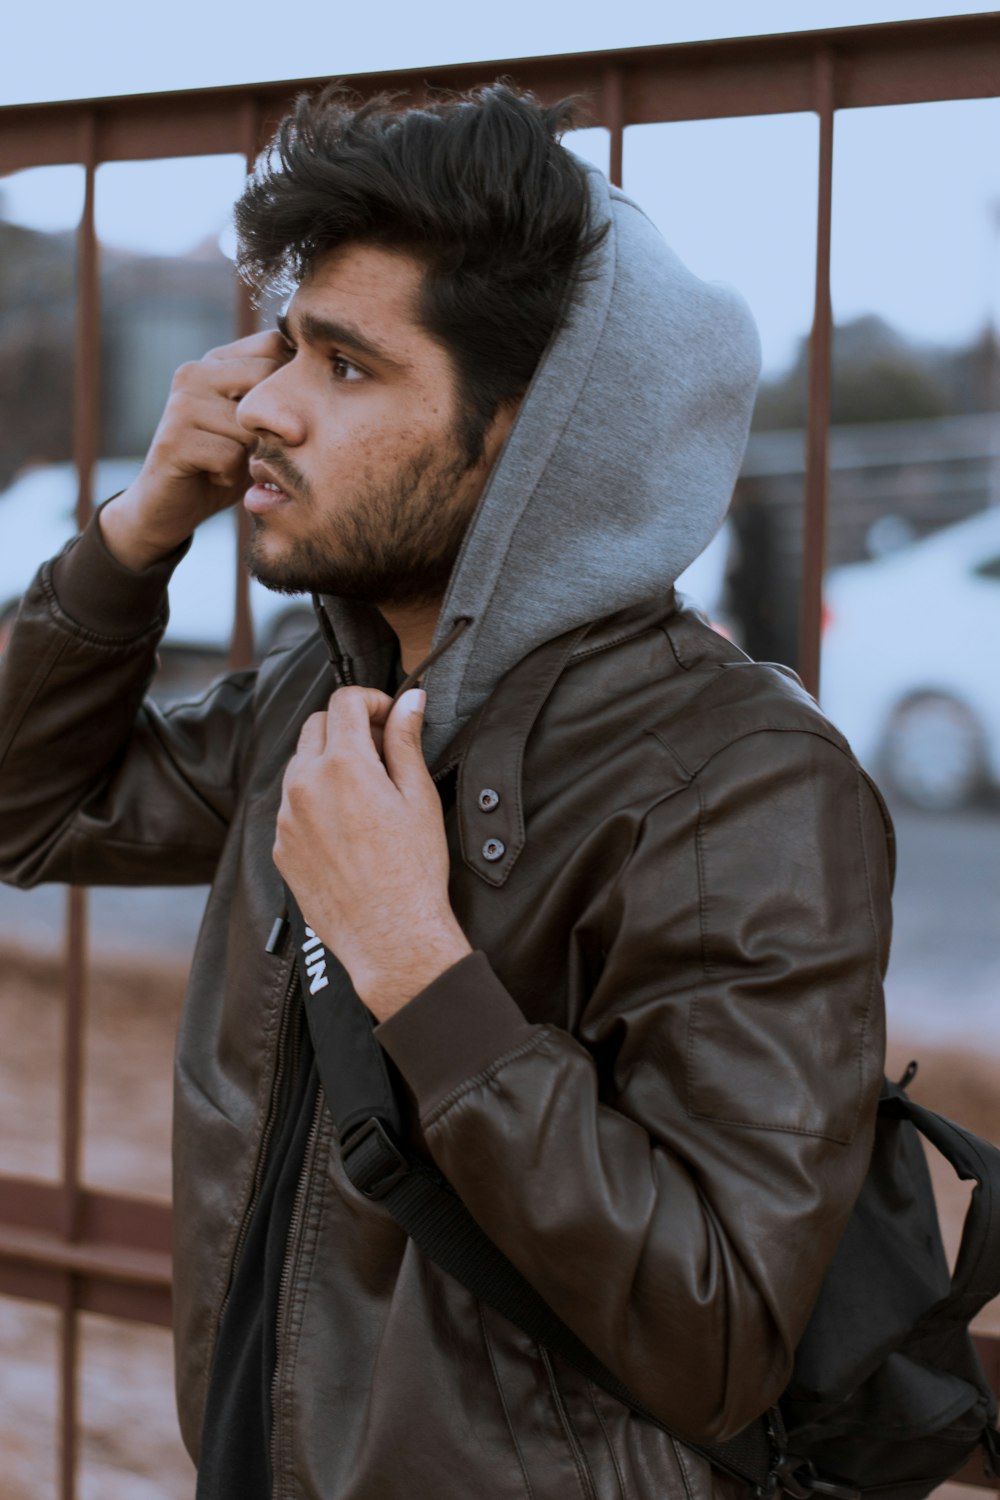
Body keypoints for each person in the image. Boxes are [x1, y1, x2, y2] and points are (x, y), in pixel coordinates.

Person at [0, 84, 893, 1499]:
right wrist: (141, 524)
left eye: (347, 368)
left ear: (530, 442)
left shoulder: (740, 782)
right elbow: (25, 806)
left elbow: (720, 1331)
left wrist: (418, 965)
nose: (263, 404)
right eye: (286, 343)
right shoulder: (328, 692)